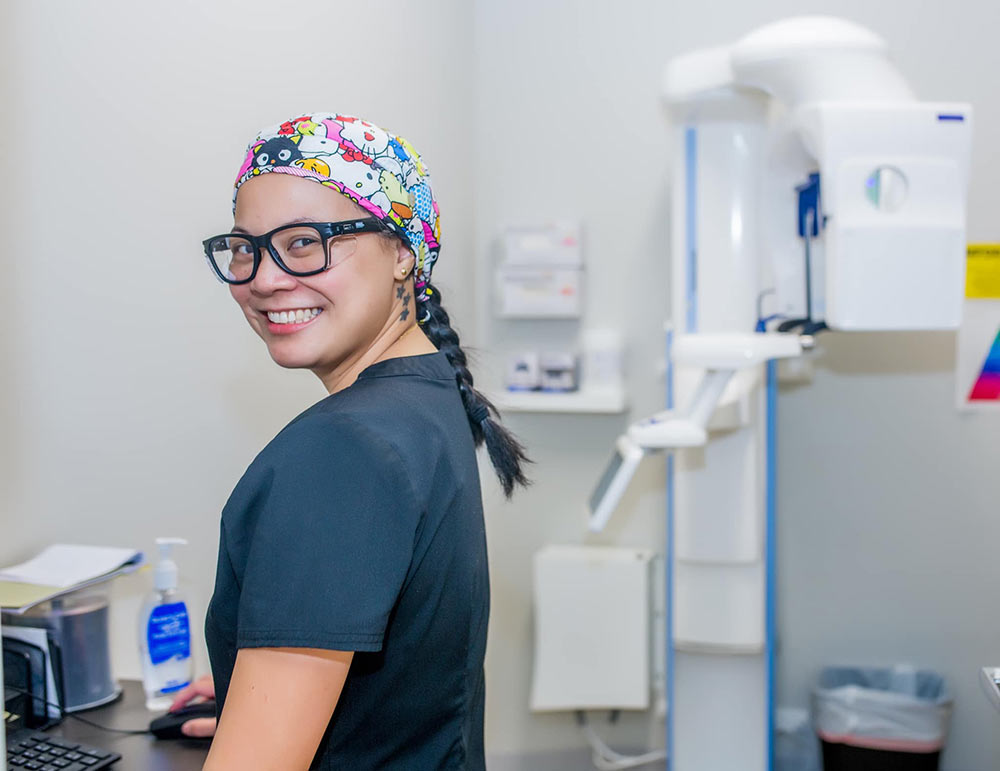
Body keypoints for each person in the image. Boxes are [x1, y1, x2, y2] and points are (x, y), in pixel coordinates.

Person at [168, 112, 529, 770]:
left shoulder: (343, 449)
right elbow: (405, 684)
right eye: (245, 247)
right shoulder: (428, 399)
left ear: (401, 252)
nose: (264, 277)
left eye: (305, 242)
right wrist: (265, 705)